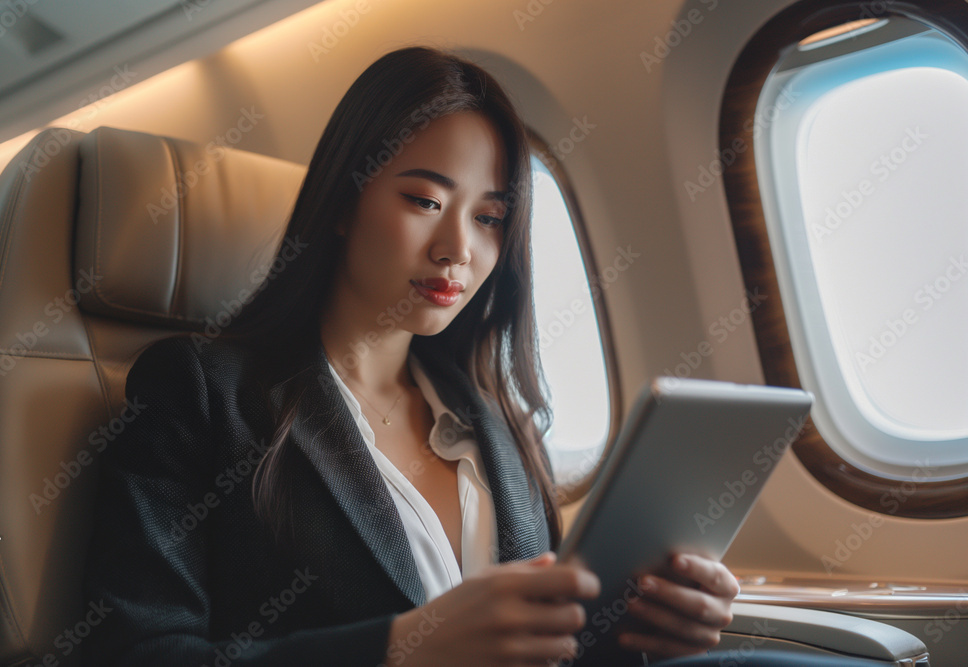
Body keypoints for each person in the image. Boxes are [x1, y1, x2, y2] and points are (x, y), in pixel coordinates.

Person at [81, 46, 875, 666]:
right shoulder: (201, 391)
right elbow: (136, 655)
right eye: (425, 200)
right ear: (341, 203)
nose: (458, 249)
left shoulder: (492, 418)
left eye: (491, 217)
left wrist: (644, 629)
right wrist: (399, 650)